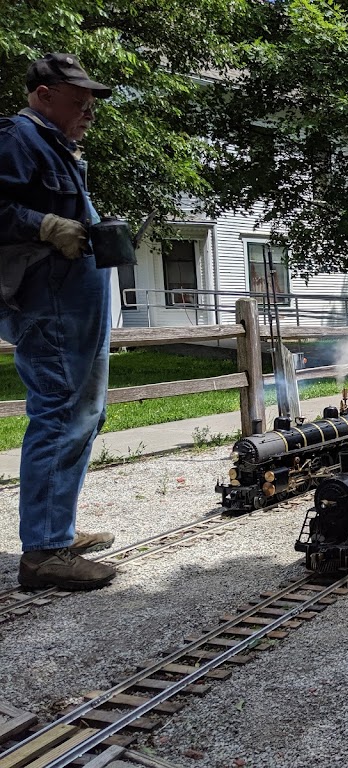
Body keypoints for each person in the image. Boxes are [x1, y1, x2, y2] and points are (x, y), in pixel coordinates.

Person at [0, 54, 117, 590]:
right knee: (61, 410)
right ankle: (45, 553)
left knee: (81, 411)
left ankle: (56, 531)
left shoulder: (55, 143)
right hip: (48, 303)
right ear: (44, 95)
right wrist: (44, 224)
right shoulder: (19, 136)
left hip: (70, 302)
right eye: (79, 99)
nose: (89, 109)